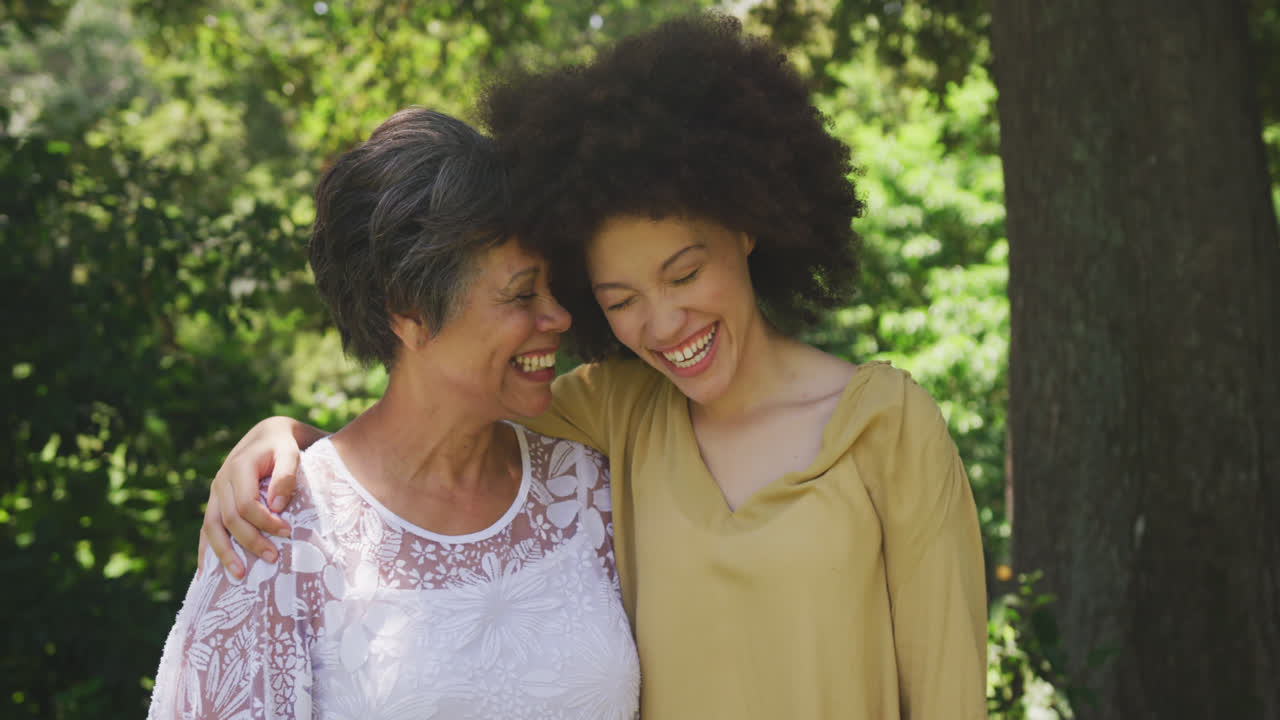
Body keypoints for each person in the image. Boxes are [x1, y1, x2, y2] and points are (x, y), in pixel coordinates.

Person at [201, 14, 988, 719]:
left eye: (684, 274)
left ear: (749, 226)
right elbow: (442, 398)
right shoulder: (621, 412)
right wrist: (288, 438)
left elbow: (949, 700)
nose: (665, 323)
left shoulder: (886, 427)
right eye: (619, 298)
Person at [149, 108, 640, 719]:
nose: (559, 317)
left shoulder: (591, 488)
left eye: (552, 287)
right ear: (407, 312)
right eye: (522, 294)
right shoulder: (276, 535)